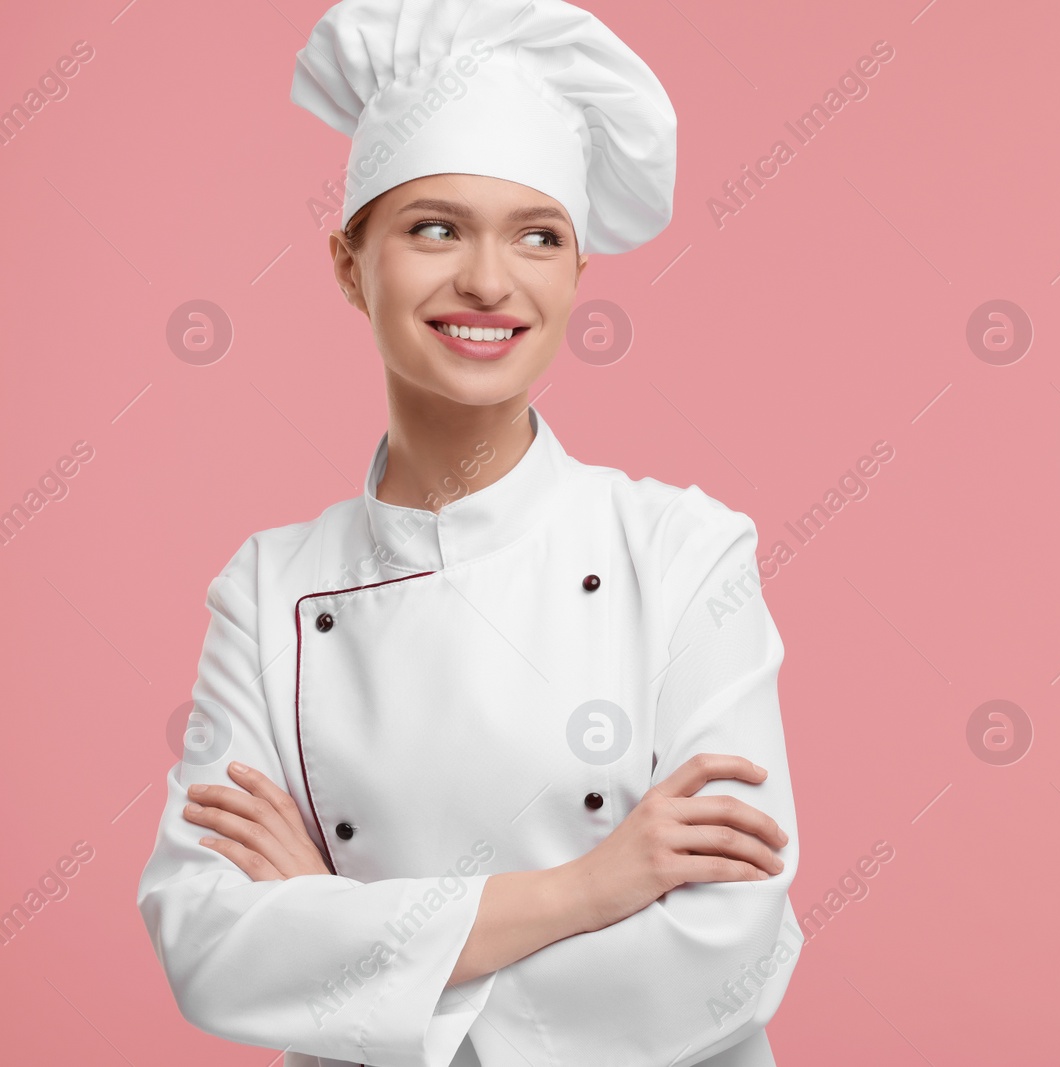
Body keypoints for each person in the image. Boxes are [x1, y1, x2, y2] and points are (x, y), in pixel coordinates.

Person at [134, 2, 802, 1065]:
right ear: (351, 266)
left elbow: (722, 948)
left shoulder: (681, 552)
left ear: (577, 275)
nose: (489, 281)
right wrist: (587, 888)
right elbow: (208, 941)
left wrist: (339, 932)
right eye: (434, 227)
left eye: (538, 235)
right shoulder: (266, 588)